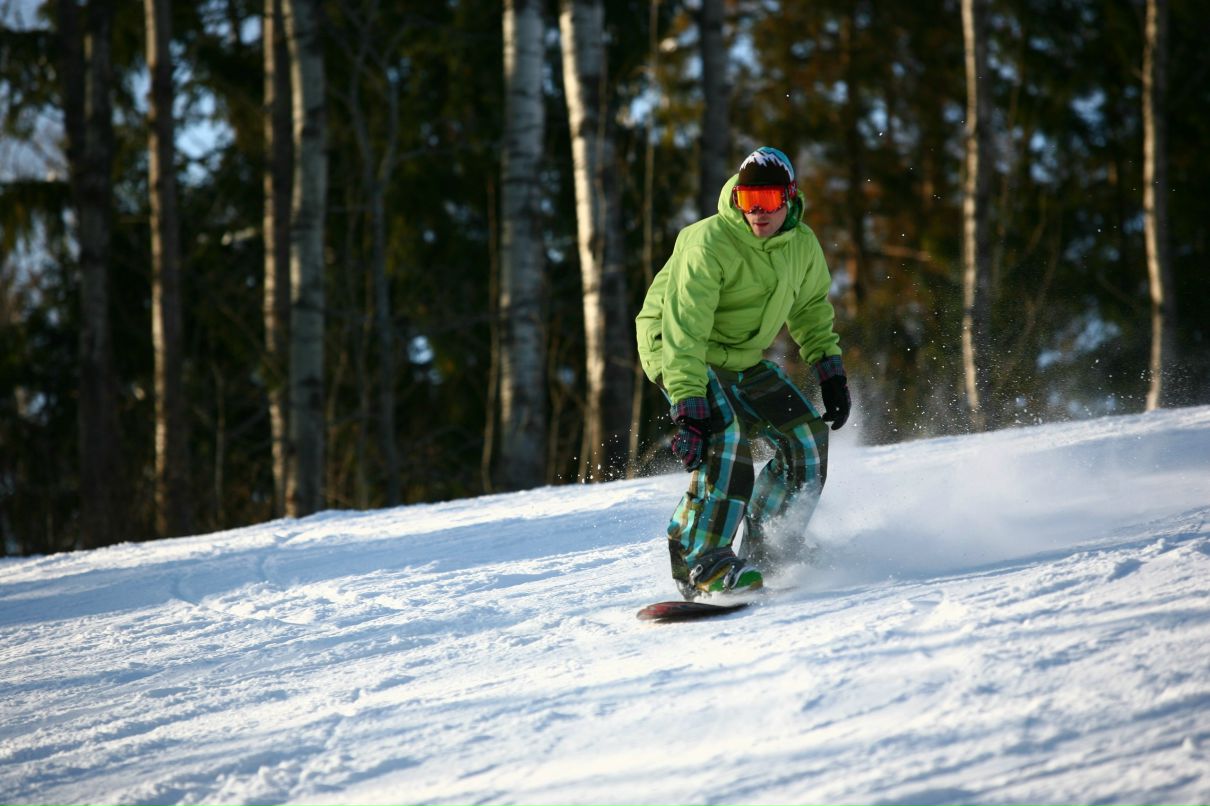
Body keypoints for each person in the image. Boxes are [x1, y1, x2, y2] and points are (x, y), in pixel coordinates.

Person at [635, 146, 851, 600]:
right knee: (726, 439)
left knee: (806, 438)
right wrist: (690, 403)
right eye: (748, 200)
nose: (758, 212)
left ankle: (769, 548)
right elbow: (684, 329)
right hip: (676, 348)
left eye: (769, 200)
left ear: (789, 199)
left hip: (739, 358)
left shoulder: (802, 246)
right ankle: (702, 563)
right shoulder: (708, 242)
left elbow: (811, 310)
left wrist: (829, 370)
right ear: (736, 198)